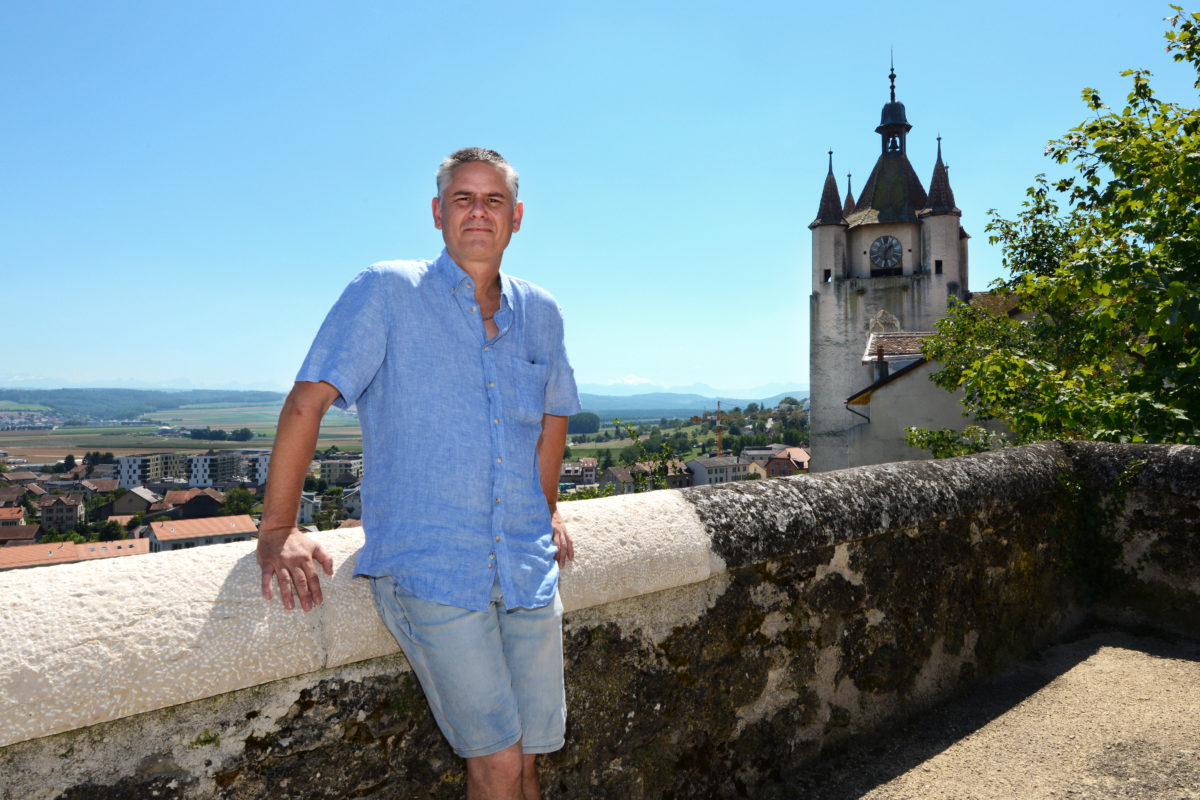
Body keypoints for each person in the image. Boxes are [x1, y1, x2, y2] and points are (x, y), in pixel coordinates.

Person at [256, 147, 580, 800]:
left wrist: (545, 511)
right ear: (438, 213)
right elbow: (305, 403)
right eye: (463, 198)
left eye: (493, 200)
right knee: (496, 763)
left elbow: (552, 420)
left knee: (529, 764)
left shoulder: (541, 311)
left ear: (517, 217)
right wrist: (279, 529)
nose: (478, 212)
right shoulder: (386, 291)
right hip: (433, 570)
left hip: (524, 563)